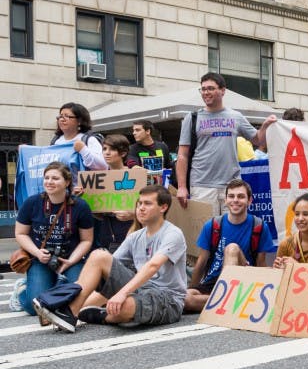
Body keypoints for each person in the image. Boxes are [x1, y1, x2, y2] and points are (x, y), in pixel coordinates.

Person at [33, 185, 188, 332]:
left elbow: (153, 266)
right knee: (99, 256)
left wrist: (122, 293)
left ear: (163, 207)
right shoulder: (135, 237)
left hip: (168, 300)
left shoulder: (173, 234)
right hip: (141, 290)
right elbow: (108, 266)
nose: (140, 208)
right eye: (139, 203)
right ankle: (68, 310)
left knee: (122, 309)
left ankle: (100, 315)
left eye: (147, 204)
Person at [176, 72, 276, 214]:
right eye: (203, 89)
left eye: (210, 88)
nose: (206, 92)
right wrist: (181, 187)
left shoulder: (236, 116)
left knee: (232, 231)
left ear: (223, 91)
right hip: (201, 186)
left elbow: (258, 140)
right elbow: (182, 156)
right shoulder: (191, 118)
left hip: (232, 186)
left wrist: (265, 126)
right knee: (206, 232)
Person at [13, 162, 95, 316]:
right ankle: (23, 290)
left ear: (67, 182)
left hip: (70, 260)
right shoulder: (32, 203)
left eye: (55, 178)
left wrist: (71, 261)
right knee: (34, 308)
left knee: (81, 299)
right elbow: (20, 233)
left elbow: (87, 240)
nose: (49, 182)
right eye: (47, 178)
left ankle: (56, 284)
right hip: (40, 259)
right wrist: (37, 253)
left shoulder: (80, 206)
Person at [185, 179, 275, 312]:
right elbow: (201, 262)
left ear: (250, 201)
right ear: (226, 200)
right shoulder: (212, 225)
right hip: (213, 281)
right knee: (186, 299)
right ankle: (230, 300)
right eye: (231, 196)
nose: (235, 200)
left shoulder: (259, 226)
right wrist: (192, 287)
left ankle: (226, 297)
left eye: (241, 196)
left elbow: (260, 263)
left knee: (232, 248)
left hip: (244, 279)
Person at [94, 135, 136, 252]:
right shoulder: (98, 178)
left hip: (130, 231)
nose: (107, 153)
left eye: (112, 149)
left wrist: (133, 215)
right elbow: (98, 213)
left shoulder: (135, 175)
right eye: (104, 149)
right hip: (107, 234)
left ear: (123, 153)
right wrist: (85, 198)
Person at [51, 103, 107, 171]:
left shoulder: (89, 140)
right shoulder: (55, 141)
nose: (62, 119)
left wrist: (83, 150)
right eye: (60, 116)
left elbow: (103, 166)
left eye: (67, 116)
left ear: (79, 121)